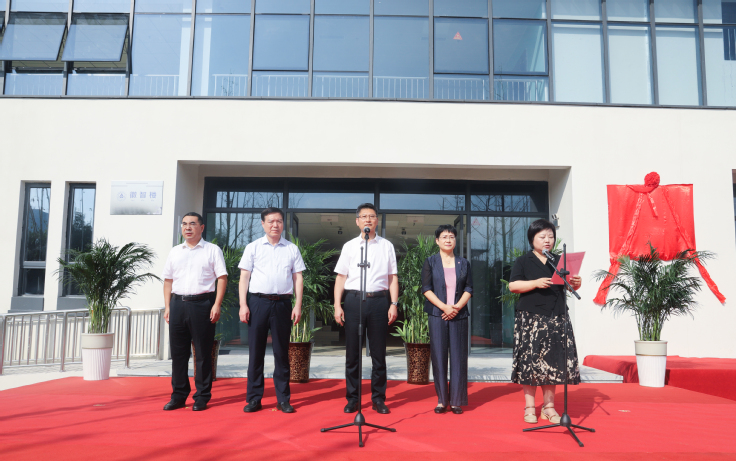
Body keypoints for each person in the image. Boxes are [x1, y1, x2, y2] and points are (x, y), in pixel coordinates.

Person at [508, 219, 582, 424]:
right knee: (530, 363)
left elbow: (569, 286)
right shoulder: (523, 261)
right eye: (542, 236)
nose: (547, 240)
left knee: (553, 362)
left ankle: (549, 408)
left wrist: (576, 283)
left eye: (550, 236)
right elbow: (513, 286)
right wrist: (535, 283)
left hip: (556, 316)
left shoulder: (559, 261)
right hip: (530, 317)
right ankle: (530, 407)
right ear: (532, 239)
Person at [333, 203, 399, 415]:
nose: (368, 219)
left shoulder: (386, 246)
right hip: (354, 300)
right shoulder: (350, 246)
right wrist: (337, 305)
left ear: (377, 220)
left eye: (372, 216)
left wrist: (394, 303)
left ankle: (378, 398)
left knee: (379, 353)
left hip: (379, 301)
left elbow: (392, 277)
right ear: (357, 221)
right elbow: (341, 277)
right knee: (352, 353)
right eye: (364, 216)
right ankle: (352, 399)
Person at [239, 207, 305, 414]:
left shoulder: (291, 249)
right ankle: (254, 399)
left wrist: (298, 304)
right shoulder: (253, 247)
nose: (275, 225)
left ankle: (283, 399)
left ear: (283, 224)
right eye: (271, 221)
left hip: (283, 304)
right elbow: (244, 278)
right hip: (258, 303)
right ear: (263, 224)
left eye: (279, 221)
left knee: (281, 353)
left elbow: (298, 278)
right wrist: (243, 304)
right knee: (255, 353)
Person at [162, 212, 227, 412]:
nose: (187, 227)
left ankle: (202, 396)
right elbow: (168, 280)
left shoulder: (212, 250)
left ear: (202, 227)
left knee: (202, 353)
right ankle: (178, 395)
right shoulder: (175, 251)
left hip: (202, 304)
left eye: (192, 224)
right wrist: (168, 306)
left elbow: (222, 278)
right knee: (178, 354)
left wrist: (216, 304)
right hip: (178, 304)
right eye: (184, 224)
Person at [421, 224, 472, 415]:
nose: (448, 240)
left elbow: (469, 288)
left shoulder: (463, 263)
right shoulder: (430, 262)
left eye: (451, 236)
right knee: (439, 357)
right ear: (437, 241)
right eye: (444, 237)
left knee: (458, 358)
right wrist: (444, 307)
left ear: (455, 240)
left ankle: (457, 400)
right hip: (437, 314)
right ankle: (442, 400)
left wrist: (456, 307)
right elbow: (426, 289)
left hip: (459, 315)